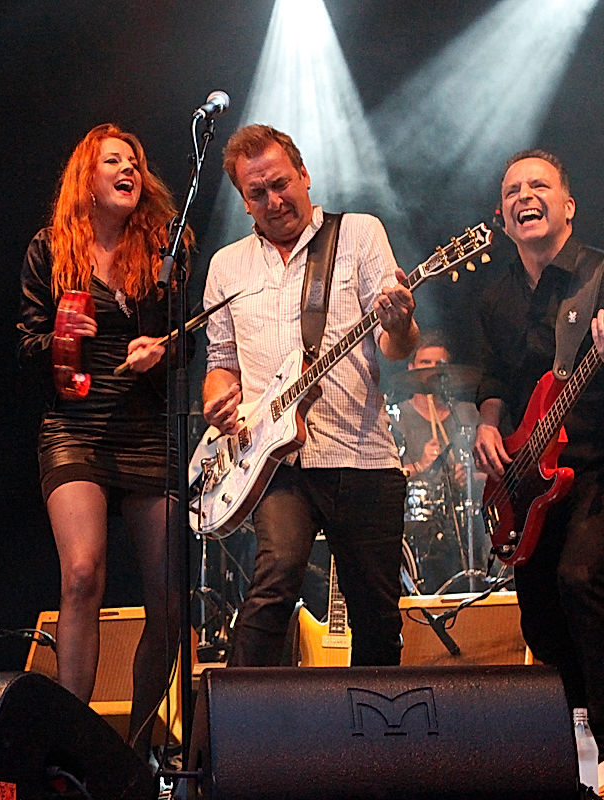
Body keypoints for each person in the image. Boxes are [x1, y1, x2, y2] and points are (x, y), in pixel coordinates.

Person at [202, 124, 418, 667]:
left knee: (376, 615)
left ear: (304, 174)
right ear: (243, 201)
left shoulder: (359, 234)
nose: (274, 201)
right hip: (275, 463)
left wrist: (401, 321)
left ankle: (372, 744)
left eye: (281, 184)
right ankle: (236, 738)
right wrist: (219, 400)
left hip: (362, 454)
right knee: (272, 583)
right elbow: (220, 365)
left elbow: (397, 349)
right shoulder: (226, 266)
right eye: (258, 193)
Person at [473, 149, 604, 762]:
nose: (524, 196)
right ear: (503, 218)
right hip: (532, 480)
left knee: (581, 577)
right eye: (511, 191)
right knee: (539, 617)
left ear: (568, 205)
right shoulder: (497, 300)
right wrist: (487, 426)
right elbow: (495, 377)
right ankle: (574, 749)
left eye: (538, 185)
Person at [17, 123, 185, 759]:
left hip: (146, 427)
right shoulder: (50, 250)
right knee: (83, 573)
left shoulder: (168, 246)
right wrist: (63, 335)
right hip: (75, 427)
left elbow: (192, 339)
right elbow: (24, 344)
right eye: (114, 160)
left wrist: (162, 351)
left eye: (136, 161)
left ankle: (138, 748)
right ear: (85, 177)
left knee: (170, 600)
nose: (130, 169)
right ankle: (71, 750)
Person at [390, 331, 481, 593]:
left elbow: (491, 472)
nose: (431, 372)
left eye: (439, 366)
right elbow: (384, 479)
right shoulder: (396, 418)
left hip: (463, 523)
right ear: (411, 368)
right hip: (415, 524)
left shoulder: (465, 413)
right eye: (424, 364)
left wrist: (471, 476)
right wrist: (420, 466)